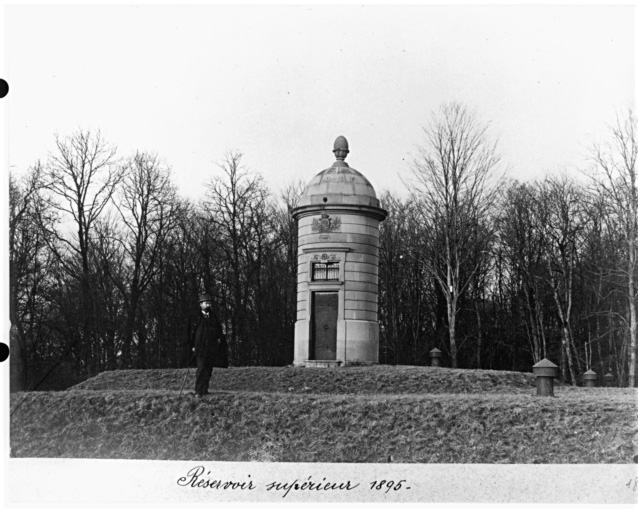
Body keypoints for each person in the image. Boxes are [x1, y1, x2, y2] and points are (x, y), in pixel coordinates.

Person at [186, 293, 228, 398]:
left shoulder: (214, 319)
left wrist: (218, 343)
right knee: (201, 369)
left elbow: (219, 333)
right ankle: (198, 391)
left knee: (208, 370)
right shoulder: (196, 318)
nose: (208, 305)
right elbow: (191, 333)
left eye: (209, 303)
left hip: (211, 348)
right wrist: (192, 346)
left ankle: (205, 389)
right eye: (206, 303)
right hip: (200, 349)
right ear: (201, 304)